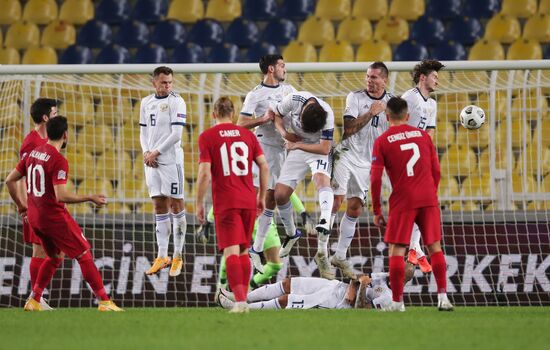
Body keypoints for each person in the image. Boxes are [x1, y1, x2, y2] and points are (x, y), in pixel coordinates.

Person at [5, 116, 123, 311]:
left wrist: (21, 206)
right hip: (53, 217)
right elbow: (61, 196)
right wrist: (90, 197)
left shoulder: (33, 153)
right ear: (65, 135)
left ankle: (34, 299)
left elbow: (10, 180)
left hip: (34, 218)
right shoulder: (58, 160)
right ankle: (104, 301)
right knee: (84, 254)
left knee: (54, 256)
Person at [370, 97, 453, 312]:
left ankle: (398, 302)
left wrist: (377, 210)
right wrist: (429, 194)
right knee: (434, 246)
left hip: (402, 199)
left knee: (397, 249)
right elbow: (437, 171)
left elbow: (375, 178)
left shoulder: (382, 141)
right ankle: (443, 298)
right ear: (408, 116)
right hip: (427, 198)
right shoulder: (424, 136)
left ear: (387, 117)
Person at [196, 97, 269, 313]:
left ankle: (239, 303)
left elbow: (204, 174)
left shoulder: (207, 137)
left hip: (226, 201)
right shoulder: (247, 135)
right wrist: (262, 196)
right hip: (248, 199)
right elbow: (264, 167)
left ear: (213, 114)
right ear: (234, 113)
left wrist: (199, 202)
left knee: (231, 253)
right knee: (244, 251)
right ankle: (242, 299)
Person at [329, 62, 392, 279]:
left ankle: (339, 255)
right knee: (336, 202)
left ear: (385, 80)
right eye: (368, 77)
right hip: (346, 154)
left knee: (354, 208)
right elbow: (348, 129)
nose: (369, 81)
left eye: (374, 77)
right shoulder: (354, 97)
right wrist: (371, 113)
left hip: (368, 162)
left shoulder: (392, 103)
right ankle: (321, 250)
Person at [271, 91, 335, 279]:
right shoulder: (294, 99)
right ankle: (291, 234)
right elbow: (275, 115)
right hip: (297, 146)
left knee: (321, 179)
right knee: (280, 195)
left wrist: (297, 145)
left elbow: (325, 148)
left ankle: (324, 220)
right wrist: (284, 133)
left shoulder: (328, 114)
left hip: (316, 149)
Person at [139, 66, 188, 277]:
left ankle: (177, 255)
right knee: (158, 205)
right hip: (151, 162)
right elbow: (143, 131)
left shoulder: (177, 101)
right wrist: (146, 153)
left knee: (176, 204)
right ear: (154, 83)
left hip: (170, 161)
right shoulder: (145, 102)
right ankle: (162, 256)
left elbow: (176, 134)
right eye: (163, 83)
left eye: (169, 82)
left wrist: (156, 152)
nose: (167, 86)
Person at [400, 59, 445, 274]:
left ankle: (415, 249)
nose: (437, 80)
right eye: (434, 76)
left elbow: (430, 131)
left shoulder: (432, 104)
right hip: (401, 157)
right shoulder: (410, 97)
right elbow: (394, 121)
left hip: (418, 158)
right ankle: (414, 248)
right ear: (422, 78)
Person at [16, 98, 58, 310]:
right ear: (45, 117)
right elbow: (20, 177)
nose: (57, 116)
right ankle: (36, 297)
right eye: (54, 113)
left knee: (47, 252)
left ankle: (36, 297)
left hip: (47, 205)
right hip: (36, 206)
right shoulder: (31, 143)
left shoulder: (48, 140)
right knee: (40, 251)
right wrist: (24, 206)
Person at [217, 272, 392, 310]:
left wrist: (360, 288)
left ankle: (237, 307)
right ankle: (241, 298)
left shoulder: (388, 298)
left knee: (287, 300)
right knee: (288, 283)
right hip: (336, 286)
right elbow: (360, 278)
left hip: (337, 303)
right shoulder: (384, 276)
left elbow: (363, 310)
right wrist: (356, 283)